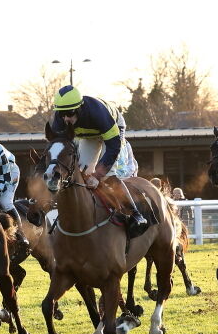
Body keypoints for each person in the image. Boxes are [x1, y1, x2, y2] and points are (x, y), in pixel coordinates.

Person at [50, 85, 148, 236]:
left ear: (79, 108)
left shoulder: (98, 114)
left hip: (113, 129)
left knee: (108, 175)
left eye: (69, 113)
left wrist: (98, 176)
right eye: (61, 113)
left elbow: (113, 147)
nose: (66, 118)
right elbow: (61, 147)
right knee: (82, 173)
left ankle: (135, 214)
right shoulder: (60, 120)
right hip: (88, 136)